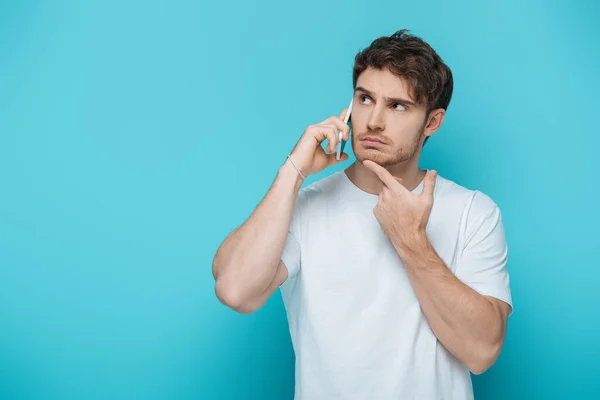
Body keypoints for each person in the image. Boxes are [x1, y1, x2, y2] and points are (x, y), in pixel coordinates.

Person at [212, 29, 513, 400]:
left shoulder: (473, 213)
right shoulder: (305, 205)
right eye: (365, 99)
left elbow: (482, 351)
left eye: (398, 106)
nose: (373, 121)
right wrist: (294, 171)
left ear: (432, 122)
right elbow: (235, 290)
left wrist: (411, 241)